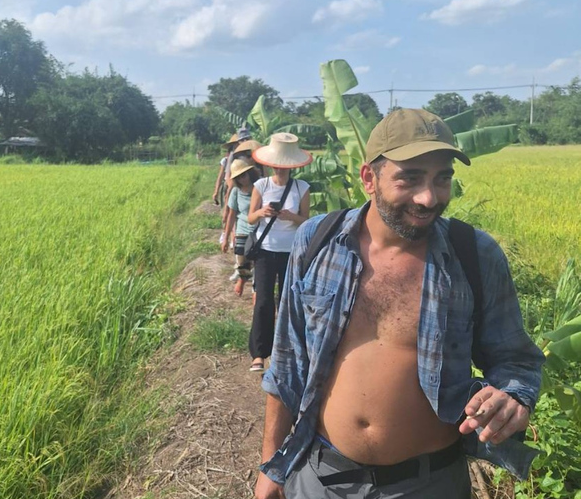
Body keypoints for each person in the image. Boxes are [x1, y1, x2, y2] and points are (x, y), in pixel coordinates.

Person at [254, 109, 545, 499]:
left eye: (442, 179)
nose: (429, 198)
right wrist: (272, 467)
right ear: (369, 179)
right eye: (410, 177)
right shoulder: (317, 241)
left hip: (430, 483)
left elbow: (516, 359)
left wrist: (512, 396)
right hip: (321, 476)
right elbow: (288, 362)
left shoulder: (474, 255)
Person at [247, 133, 311, 373]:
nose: (281, 170)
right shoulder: (261, 186)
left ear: (291, 167)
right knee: (263, 302)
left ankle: (285, 352)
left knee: (287, 302)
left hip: (291, 252)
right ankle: (259, 354)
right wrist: (262, 212)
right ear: (271, 165)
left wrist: (290, 216)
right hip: (266, 250)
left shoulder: (301, 188)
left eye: (285, 166)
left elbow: (306, 221)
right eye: (277, 166)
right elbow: (250, 217)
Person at [221, 157, 260, 296]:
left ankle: (255, 289)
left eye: (244, 175)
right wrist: (226, 238)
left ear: (249, 173)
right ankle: (242, 280)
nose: (242, 179)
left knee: (257, 260)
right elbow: (232, 215)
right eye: (239, 177)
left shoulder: (259, 188)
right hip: (242, 229)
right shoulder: (236, 192)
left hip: (258, 229)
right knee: (241, 258)